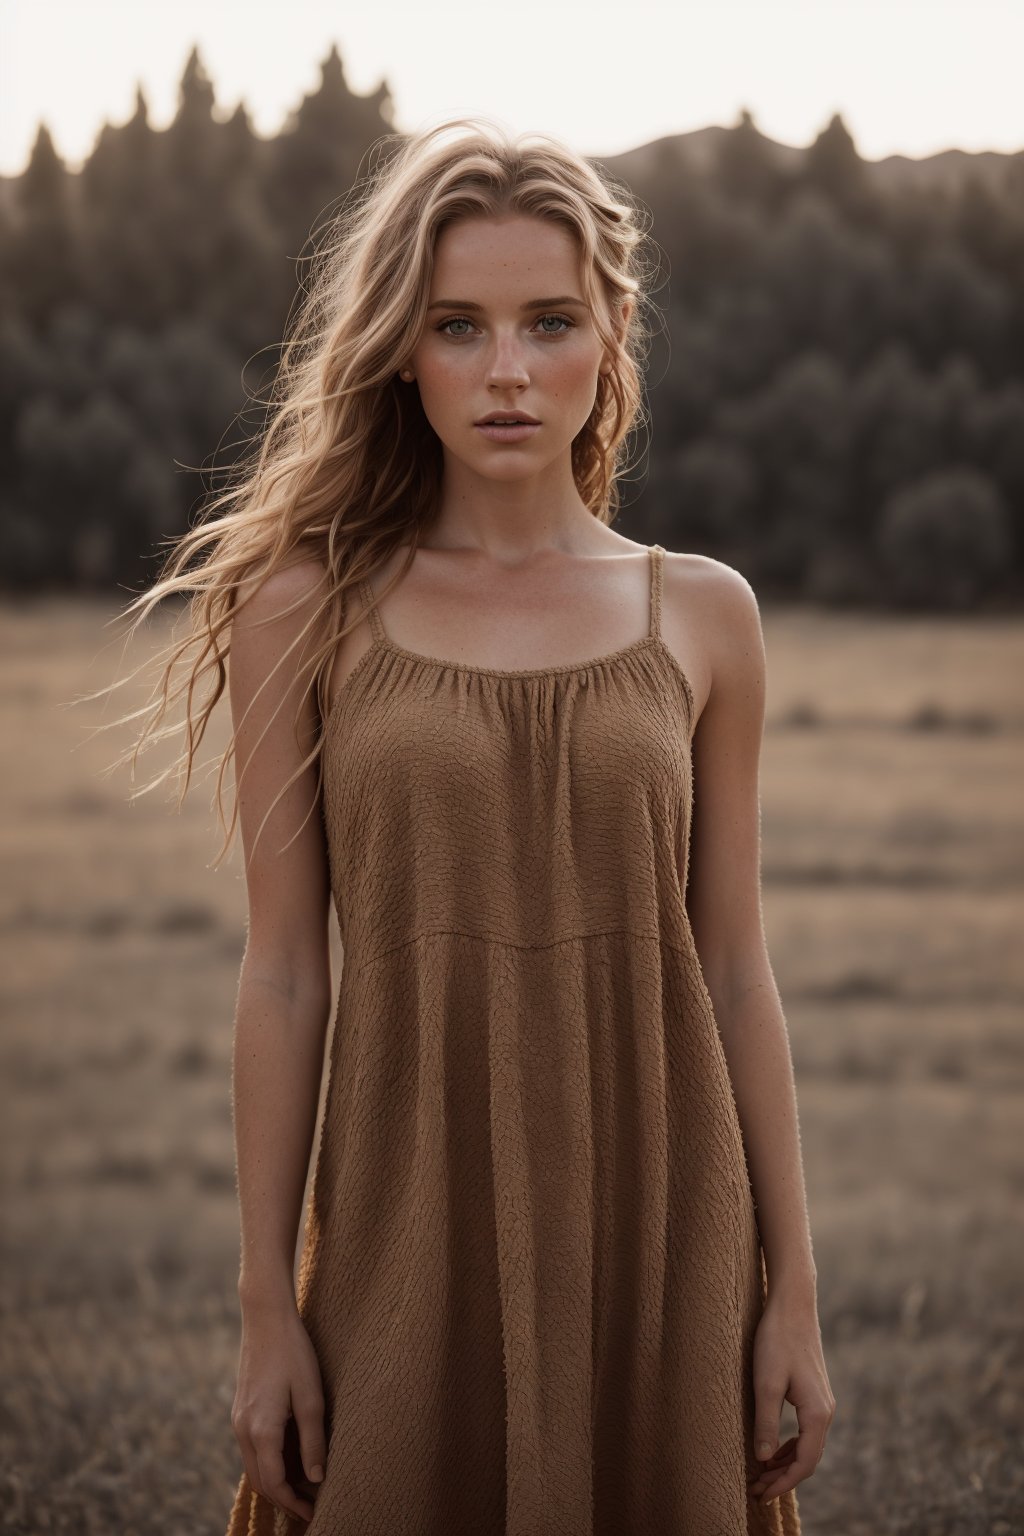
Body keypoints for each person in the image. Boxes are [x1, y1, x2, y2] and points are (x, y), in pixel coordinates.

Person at [110, 116, 834, 1533]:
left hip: (666, 1220)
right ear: (401, 348)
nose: (507, 370)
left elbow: (738, 969)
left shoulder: (706, 615)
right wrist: (269, 1307)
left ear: (611, 333)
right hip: (404, 1216)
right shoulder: (301, 608)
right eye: (459, 326)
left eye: (549, 322)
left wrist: (791, 1285)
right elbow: (283, 971)